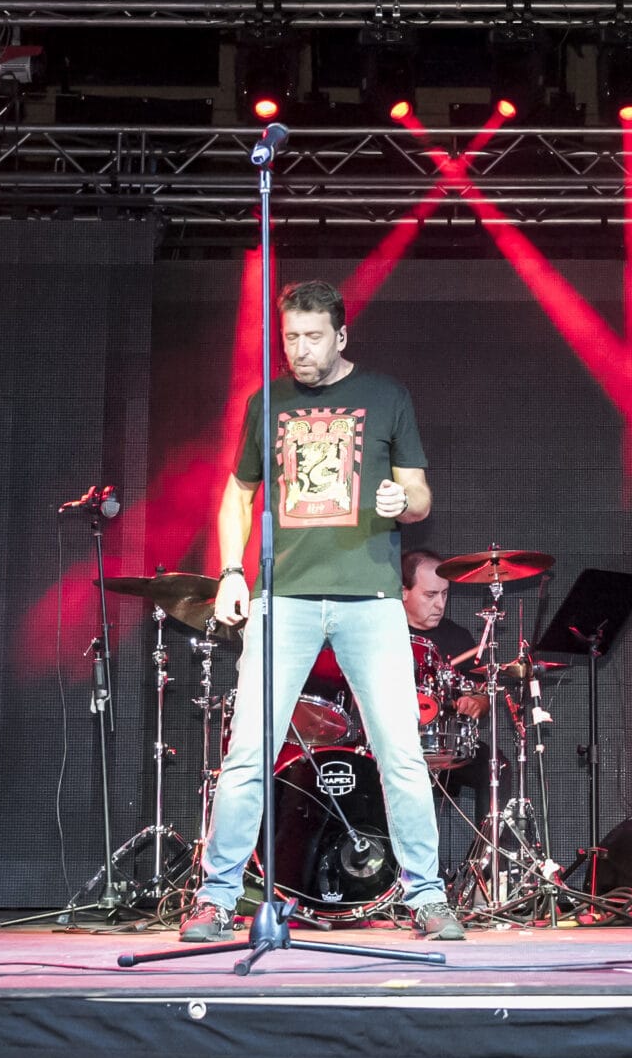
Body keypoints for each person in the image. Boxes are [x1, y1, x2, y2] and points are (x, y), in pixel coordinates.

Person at [186, 280, 465, 941]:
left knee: (401, 753)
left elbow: (420, 493)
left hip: (371, 601)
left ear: (341, 335)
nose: (300, 350)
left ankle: (426, 897)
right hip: (282, 597)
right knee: (247, 753)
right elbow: (238, 494)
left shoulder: (386, 396)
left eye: (313, 337)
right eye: (290, 338)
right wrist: (232, 571)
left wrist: (403, 501)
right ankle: (217, 898)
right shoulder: (267, 402)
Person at [401, 548, 498, 853]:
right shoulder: (382, 634)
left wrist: (477, 703)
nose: (440, 604)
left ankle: (483, 865)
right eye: (430, 595)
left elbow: (481, 692)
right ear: (403, 592)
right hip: (393, 749)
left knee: (496, 766)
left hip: (444, 745)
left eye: (444, 594)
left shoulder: (457, 637)